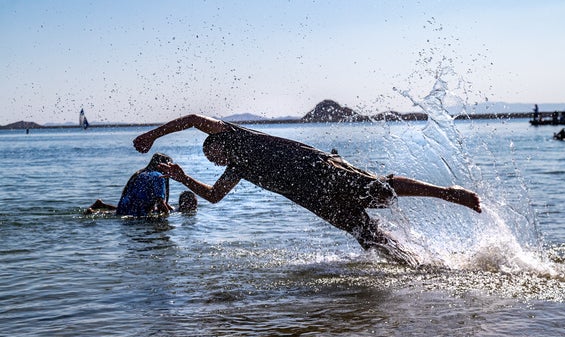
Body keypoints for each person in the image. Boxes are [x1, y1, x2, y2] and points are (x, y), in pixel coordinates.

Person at [133, 114, 482, 256]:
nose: (218, 161)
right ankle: (419, 265)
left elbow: (193, 119)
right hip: (311, 196)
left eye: (215, 154)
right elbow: (213, 196)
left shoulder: (236, 136)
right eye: (215, 162)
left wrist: (152, 134)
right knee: (366, 235)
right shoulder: (238, 167)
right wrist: (182, 178)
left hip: (320, 168)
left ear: (219, 141)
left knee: (380, 190)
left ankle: (448, 193)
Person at [85, 153, 174, 217]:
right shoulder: (159, 176)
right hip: (138, 211)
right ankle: (97, 209)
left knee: (125, 212)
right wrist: (168, 216)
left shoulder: (140, 173)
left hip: (124, 206)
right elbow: (160, 202)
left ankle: (100, 207)